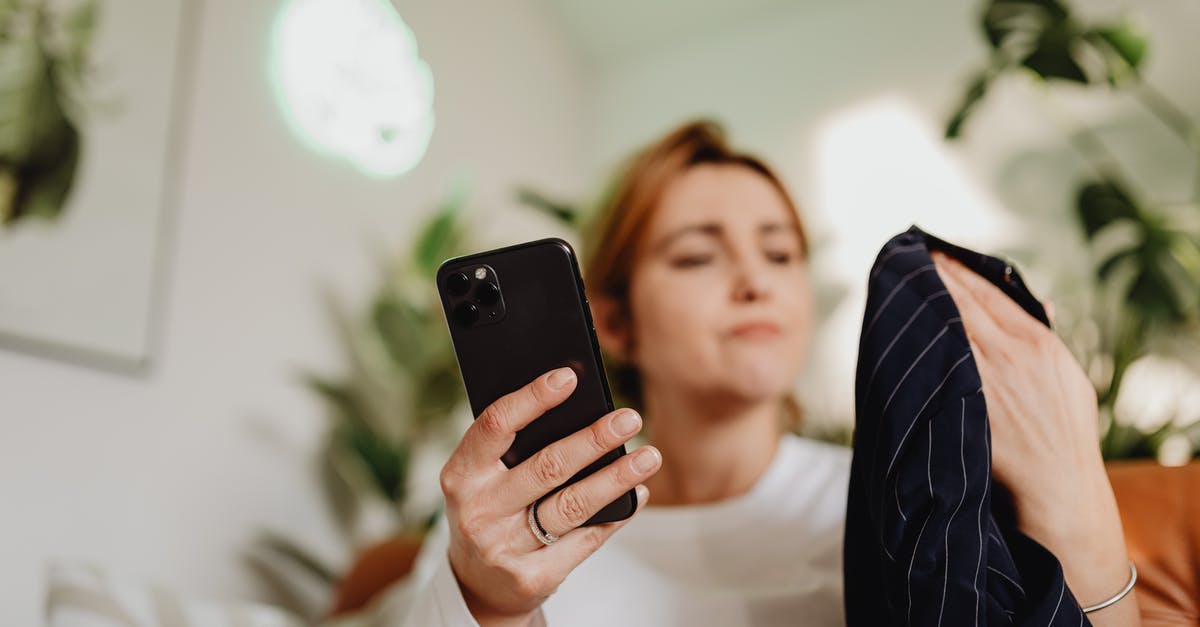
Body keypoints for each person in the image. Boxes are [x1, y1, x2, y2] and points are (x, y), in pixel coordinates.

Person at [388, 121, 1140, 626]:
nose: (755, 280)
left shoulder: (902, 508)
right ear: (613, 321)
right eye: (696, 255)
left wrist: (1072, 487)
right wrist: (487, 602)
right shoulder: (503, 535)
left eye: (780, 253)